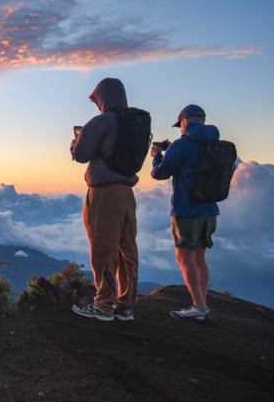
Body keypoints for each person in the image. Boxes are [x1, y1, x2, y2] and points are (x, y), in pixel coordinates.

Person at [69, 77, 140, 322]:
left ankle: (104, 304)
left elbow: (81, 155)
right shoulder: (133, 123)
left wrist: (74, 145)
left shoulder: (101, 122)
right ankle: (126, 303)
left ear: (102, 98)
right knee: (127, 247)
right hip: (127, 192)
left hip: (104, 193)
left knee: (103, 246)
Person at [150, 104, 219, 321]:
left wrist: (157, 156)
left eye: (179, 124)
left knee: (184, 256)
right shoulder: (216, 144)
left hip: (187, 209)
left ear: (185, 121)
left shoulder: (182, 145)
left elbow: (160, 173)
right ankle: (202, 303)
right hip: (210, 209)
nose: (179, 128)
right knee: (200, 256)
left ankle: (199, 308)